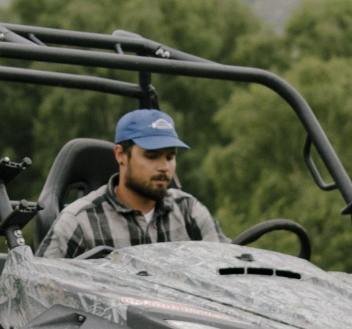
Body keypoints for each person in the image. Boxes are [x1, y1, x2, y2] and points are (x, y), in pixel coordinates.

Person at [38, 109, 226, 258]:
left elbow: (229, 269)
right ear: (120, 155)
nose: (164, 167)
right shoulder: (80, 221)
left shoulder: (188, 211)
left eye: (170, 157)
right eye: (151, 157)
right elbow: (40, 290)